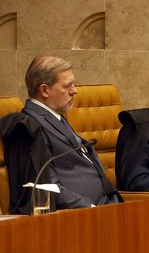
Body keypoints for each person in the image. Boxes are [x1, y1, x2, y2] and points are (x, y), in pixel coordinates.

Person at [0, 56, 120, 213]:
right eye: (67, 86)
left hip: (107, 205)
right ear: (44, 90)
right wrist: (90, 208)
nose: (74, 90)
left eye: (73, 84)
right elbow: (47, 186)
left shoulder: (56, 117)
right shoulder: (31, 127)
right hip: (80, 215)